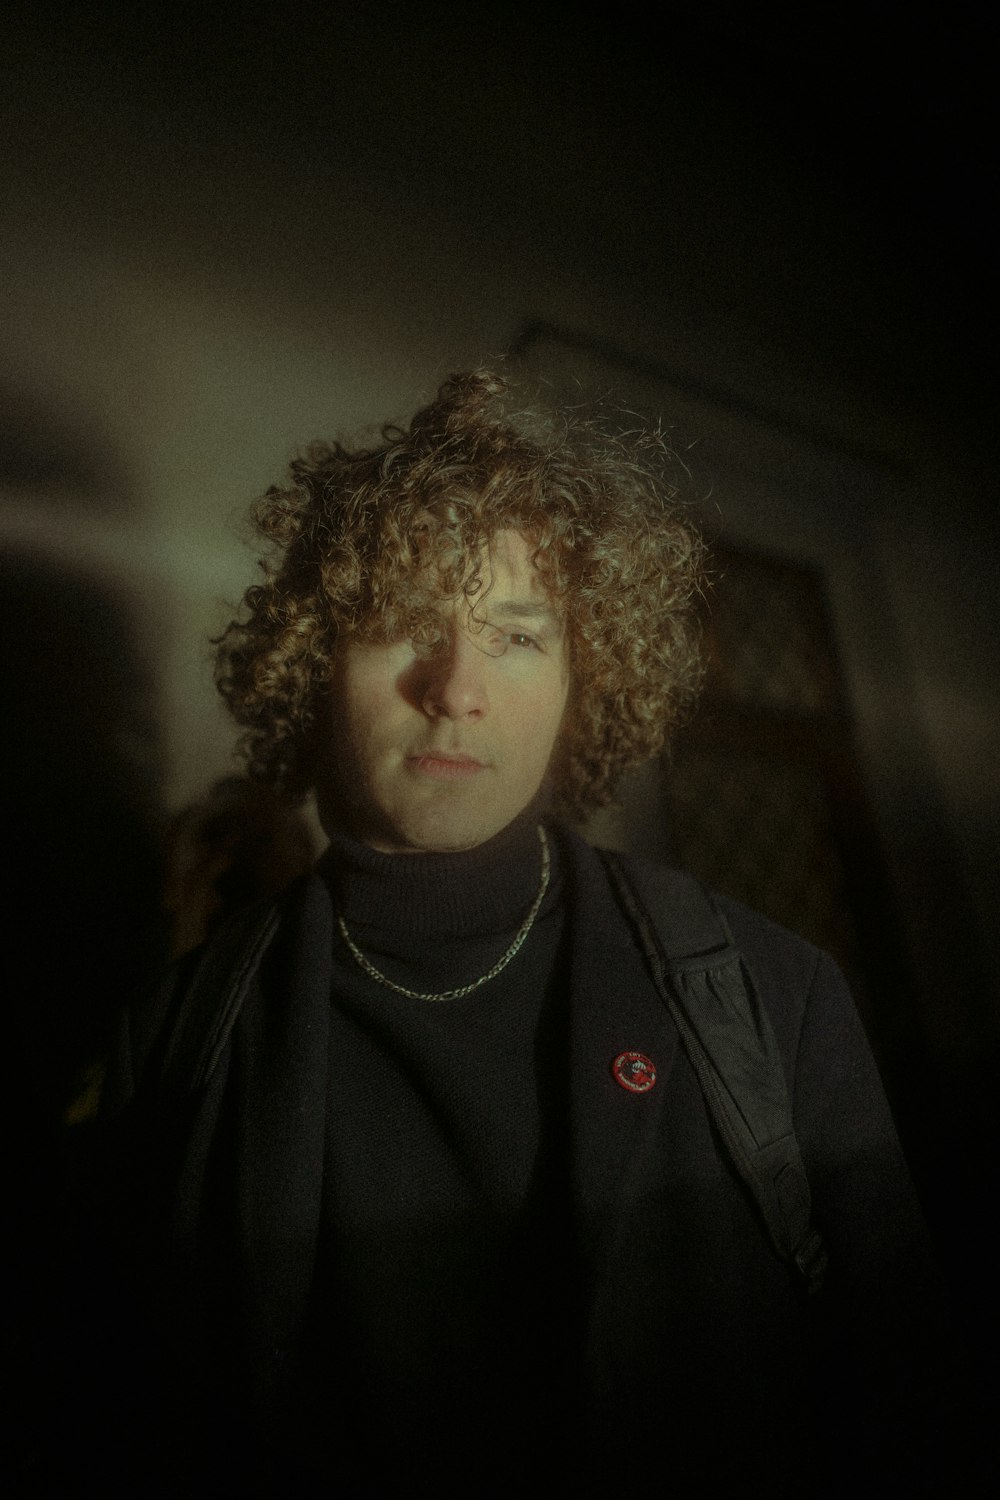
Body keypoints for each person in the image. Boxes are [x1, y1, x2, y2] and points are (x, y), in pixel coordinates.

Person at [90, 372, 963, 1495]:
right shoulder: (172, 1041)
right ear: (314, 668)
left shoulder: (769, 993)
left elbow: (915, 1407)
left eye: (515, 634)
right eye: (405, 622)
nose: (456, 688)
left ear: (580, 681)